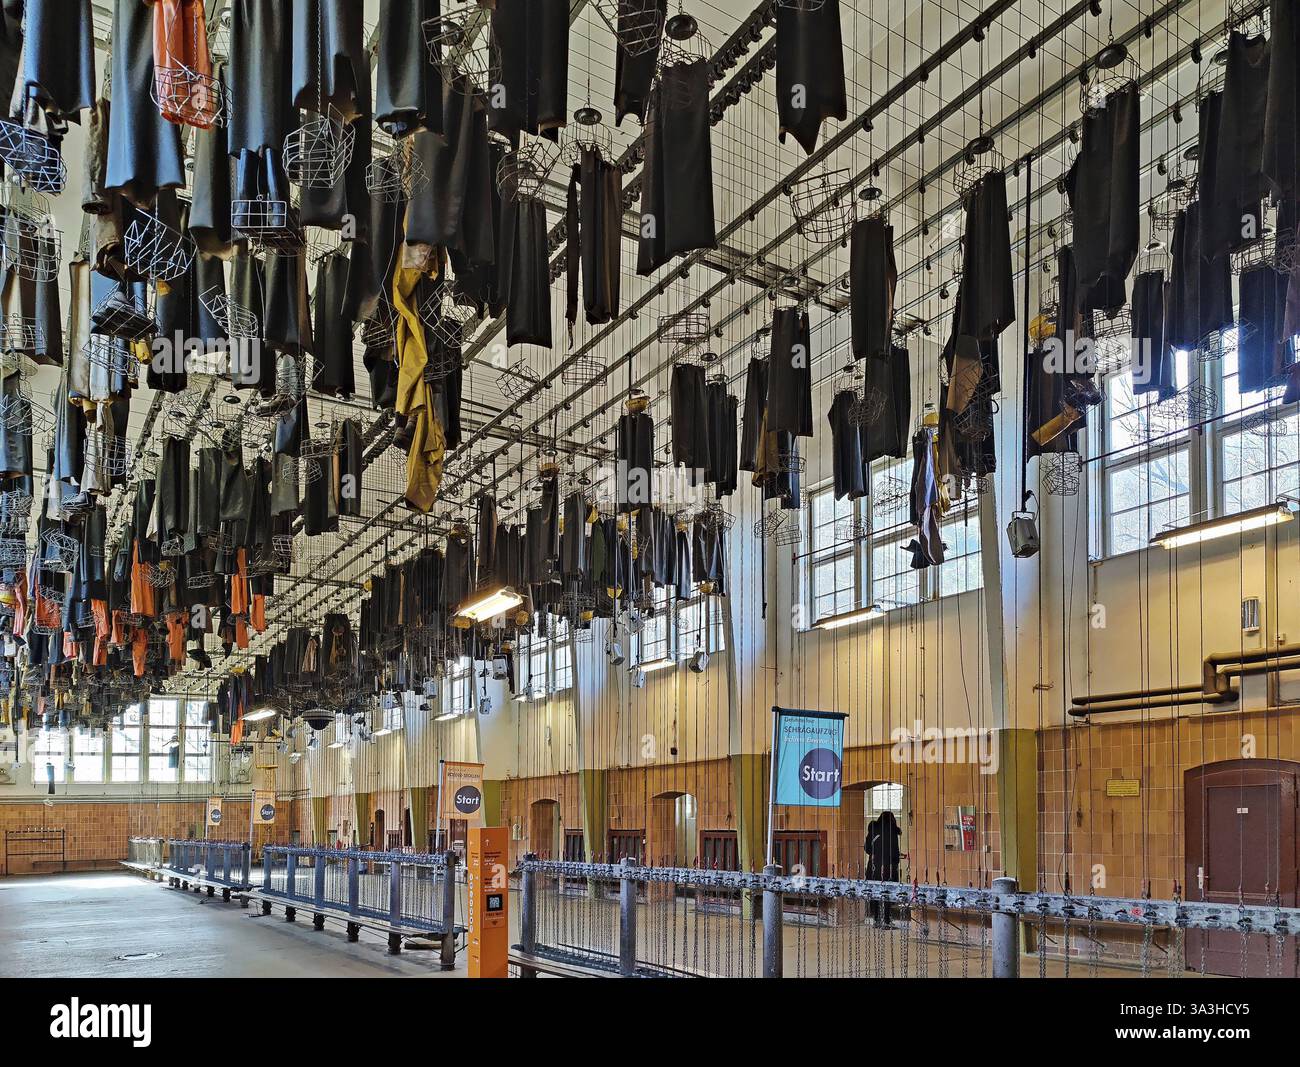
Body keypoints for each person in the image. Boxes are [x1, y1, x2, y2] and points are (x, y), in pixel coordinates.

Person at [865, 810, 902, 927]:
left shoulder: (873, 828)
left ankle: (876, 918)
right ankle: (886, 919)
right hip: (888, 867)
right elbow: (895, 852)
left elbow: (867, 848)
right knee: (888, 892)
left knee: (875, 891)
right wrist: (896, 863)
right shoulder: (893, 831)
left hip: (874, 866)